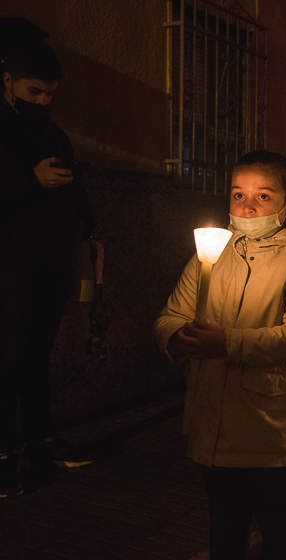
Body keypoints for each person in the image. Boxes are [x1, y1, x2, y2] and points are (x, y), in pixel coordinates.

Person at [154, 151, 286, 560]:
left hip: (270, 426)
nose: (247, 206)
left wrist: (226, 343)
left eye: (263, 196)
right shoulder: (211, 257)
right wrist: (179, 337)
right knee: (224, 529)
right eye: (238, 194)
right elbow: (171, 315)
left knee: (278, 532)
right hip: (212, 421)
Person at [0, 39, 95, 499]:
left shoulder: (52, 132)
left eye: (49, 95)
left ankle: (39, 441)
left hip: (49, 263)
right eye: (34, 91)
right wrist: (27, 180)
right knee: (8, 357)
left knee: (37, 355)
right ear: (8, 83)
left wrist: (85, 230)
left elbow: (75, 189)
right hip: (10, 266)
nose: (42, 102)